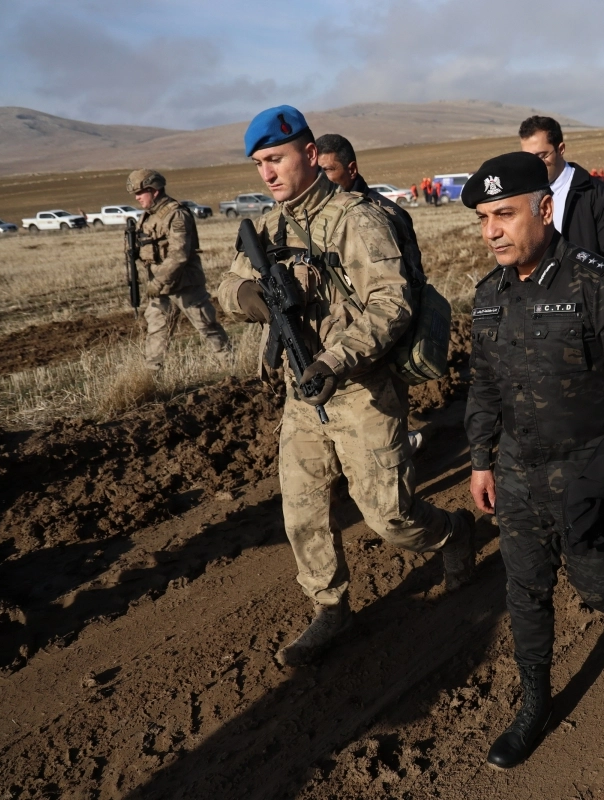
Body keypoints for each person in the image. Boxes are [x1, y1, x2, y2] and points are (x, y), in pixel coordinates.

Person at [217, 106, 475, 667]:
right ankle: (330, 608)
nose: (268, 173)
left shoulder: (359, 218)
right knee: (302, 512)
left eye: (277, 159)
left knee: (391, 518)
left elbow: (392, 303)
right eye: (260, 163)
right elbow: (227, 282)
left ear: (310, 155)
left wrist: (335, 359)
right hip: (301, 396)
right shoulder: (269, 226)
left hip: (360, 390)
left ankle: (454, 534)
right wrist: (247, 298)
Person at [463, 152, 604, 769]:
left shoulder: (600, 284)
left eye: (503, 214)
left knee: (597, 588)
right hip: (519, 474)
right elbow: (483, 385)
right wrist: (480, 460)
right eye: (482, 218)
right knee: (525, 592)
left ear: (545, 209)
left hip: (589, 473)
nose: (492, 230)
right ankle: (534, 703)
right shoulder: (488, 296)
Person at [316, 132, 427, 454]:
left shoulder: (382, 214)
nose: (322, 179)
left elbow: (409, 282)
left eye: (329, 170)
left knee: (385, 431)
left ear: (351, 169)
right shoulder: (322, 218)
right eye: (317, 171)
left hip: (378, 338)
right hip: (336, 339)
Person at [126, 169, 231, 373]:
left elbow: (179, 254)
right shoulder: (147, 217)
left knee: (207, 327)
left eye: (141, 192)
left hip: (185, 284)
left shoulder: (176, 214)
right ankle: (152, 376)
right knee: (156, 331)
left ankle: (232, 367)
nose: (137, 198)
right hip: (160, 287)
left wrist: (157, 282)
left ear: (154, 190)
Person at [519, 115, 604, 271]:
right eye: (528, 158)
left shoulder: (599, 196)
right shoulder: (520, 196)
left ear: (561, 149)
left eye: (541, 156)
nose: (535, 165)